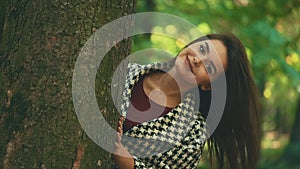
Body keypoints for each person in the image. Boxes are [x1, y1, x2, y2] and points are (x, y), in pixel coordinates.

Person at [113, 33, 261, 169]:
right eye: (202, 49)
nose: (197, 59)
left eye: (209, 67)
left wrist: (130, 165)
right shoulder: (124, 70)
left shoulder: (192, 136)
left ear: (208, 85)